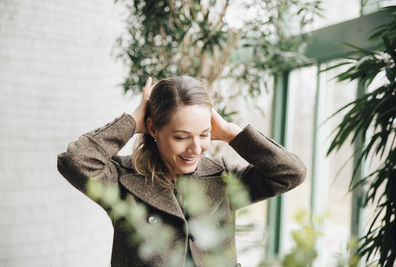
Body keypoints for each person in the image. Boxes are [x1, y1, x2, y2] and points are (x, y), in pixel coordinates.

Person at [57, 76, 306, 267]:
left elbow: (291, 172)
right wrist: (133, 120)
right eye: (181, 137)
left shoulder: (223, 176)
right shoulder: (122, 179)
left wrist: (232, 133)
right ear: (153, 128)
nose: (195, 148)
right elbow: (75, 161)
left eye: (204, 134)